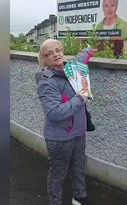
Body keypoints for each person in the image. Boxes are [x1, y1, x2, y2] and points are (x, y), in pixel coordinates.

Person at [36, 39, 94, 205]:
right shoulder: (47, 81)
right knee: (57, 175)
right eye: (49, 53)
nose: (55, 54)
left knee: (78, 168)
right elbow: (54, 113)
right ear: (44, 60)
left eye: (58, 50)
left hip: (79, 133)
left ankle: (80, 197)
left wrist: (89, 50)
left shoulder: (71, 68)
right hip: (60, 138)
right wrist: (79, 98)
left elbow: (80, 58)